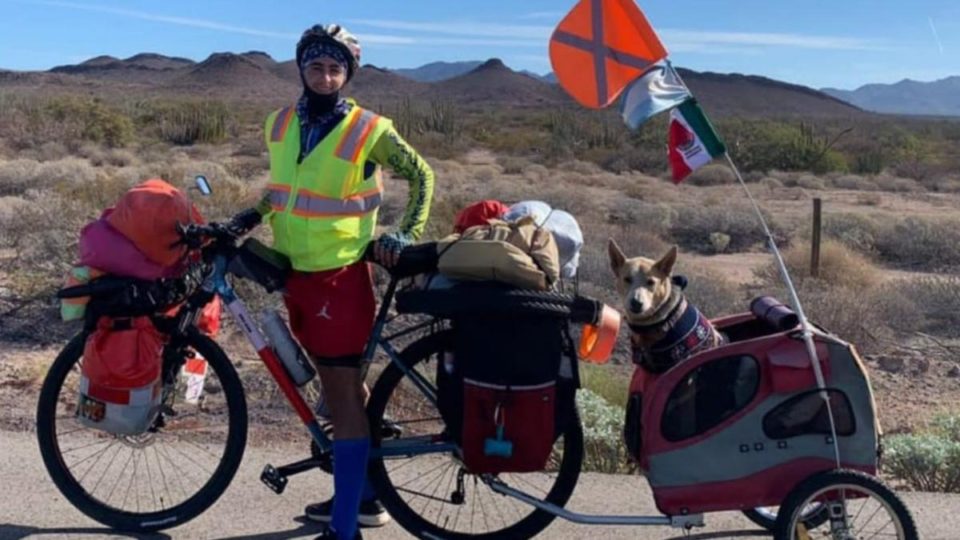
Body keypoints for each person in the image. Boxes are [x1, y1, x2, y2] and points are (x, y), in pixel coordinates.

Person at [230, 23, 435, 540]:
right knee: (341, 390)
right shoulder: (279, 124)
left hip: (340, 276)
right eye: (316, 65)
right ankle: (363, 499)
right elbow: (282, 191)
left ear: (348, 74)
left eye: (335, 68)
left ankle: (345, 530)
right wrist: (246, 217)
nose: (325, 76)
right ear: (301, 67)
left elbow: (423, 176)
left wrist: (406, 232)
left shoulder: (369, 129)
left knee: (342, 401)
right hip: (295, 273)